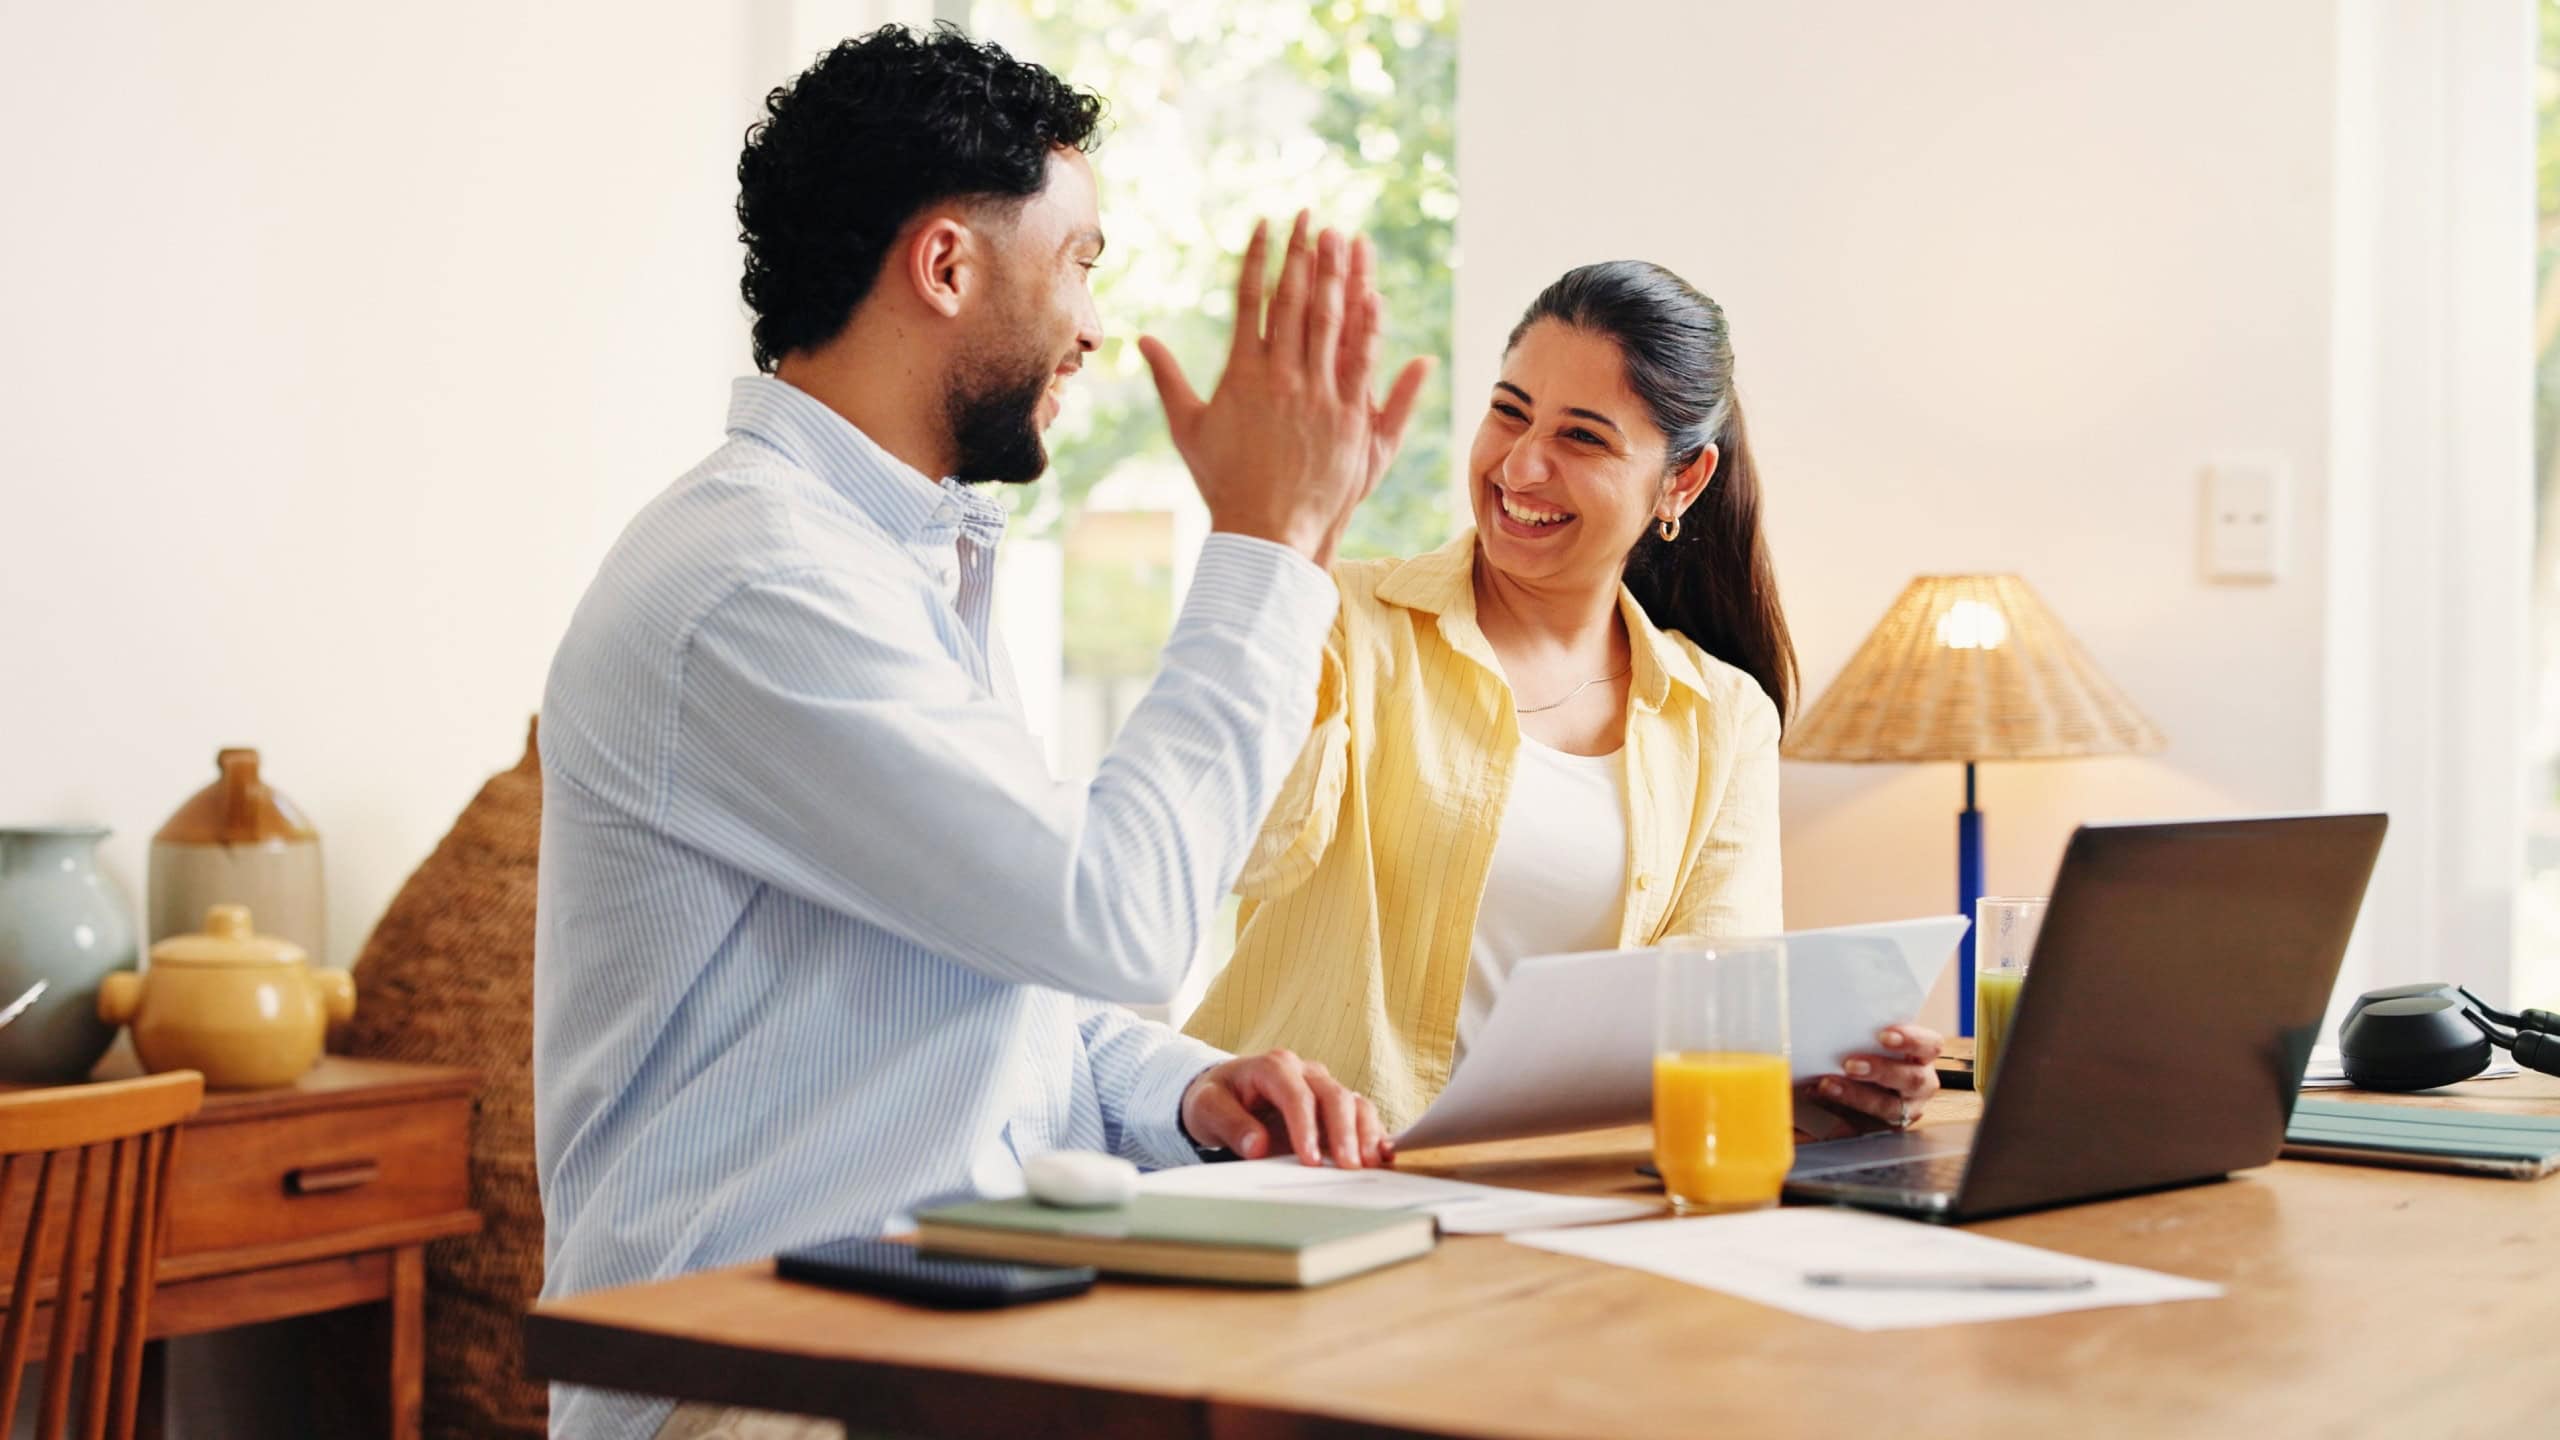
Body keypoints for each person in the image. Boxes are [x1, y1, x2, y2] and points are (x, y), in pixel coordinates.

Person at [533, 26, 1429, 1440]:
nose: (1090, 322)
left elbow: (1003, 964)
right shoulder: (761, 583)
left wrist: (1189, 1098)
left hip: (947, 1340)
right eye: (1078, 261)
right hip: (758, 1391)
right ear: (946, 265)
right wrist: (1270, 543)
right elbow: (1113, 917)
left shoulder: (890, 556)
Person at [1184, 260, 1942, 1136]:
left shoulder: (1723, 715)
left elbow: (1720, 1020)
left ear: (1682, 482)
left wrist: (1833, 1084)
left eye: (1582, 438)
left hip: (1553, 1203)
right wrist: (1286, 546)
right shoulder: (1342, 615)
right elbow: (1249, 856)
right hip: (1302, 1180)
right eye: (1509, 411)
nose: (1520, 465)